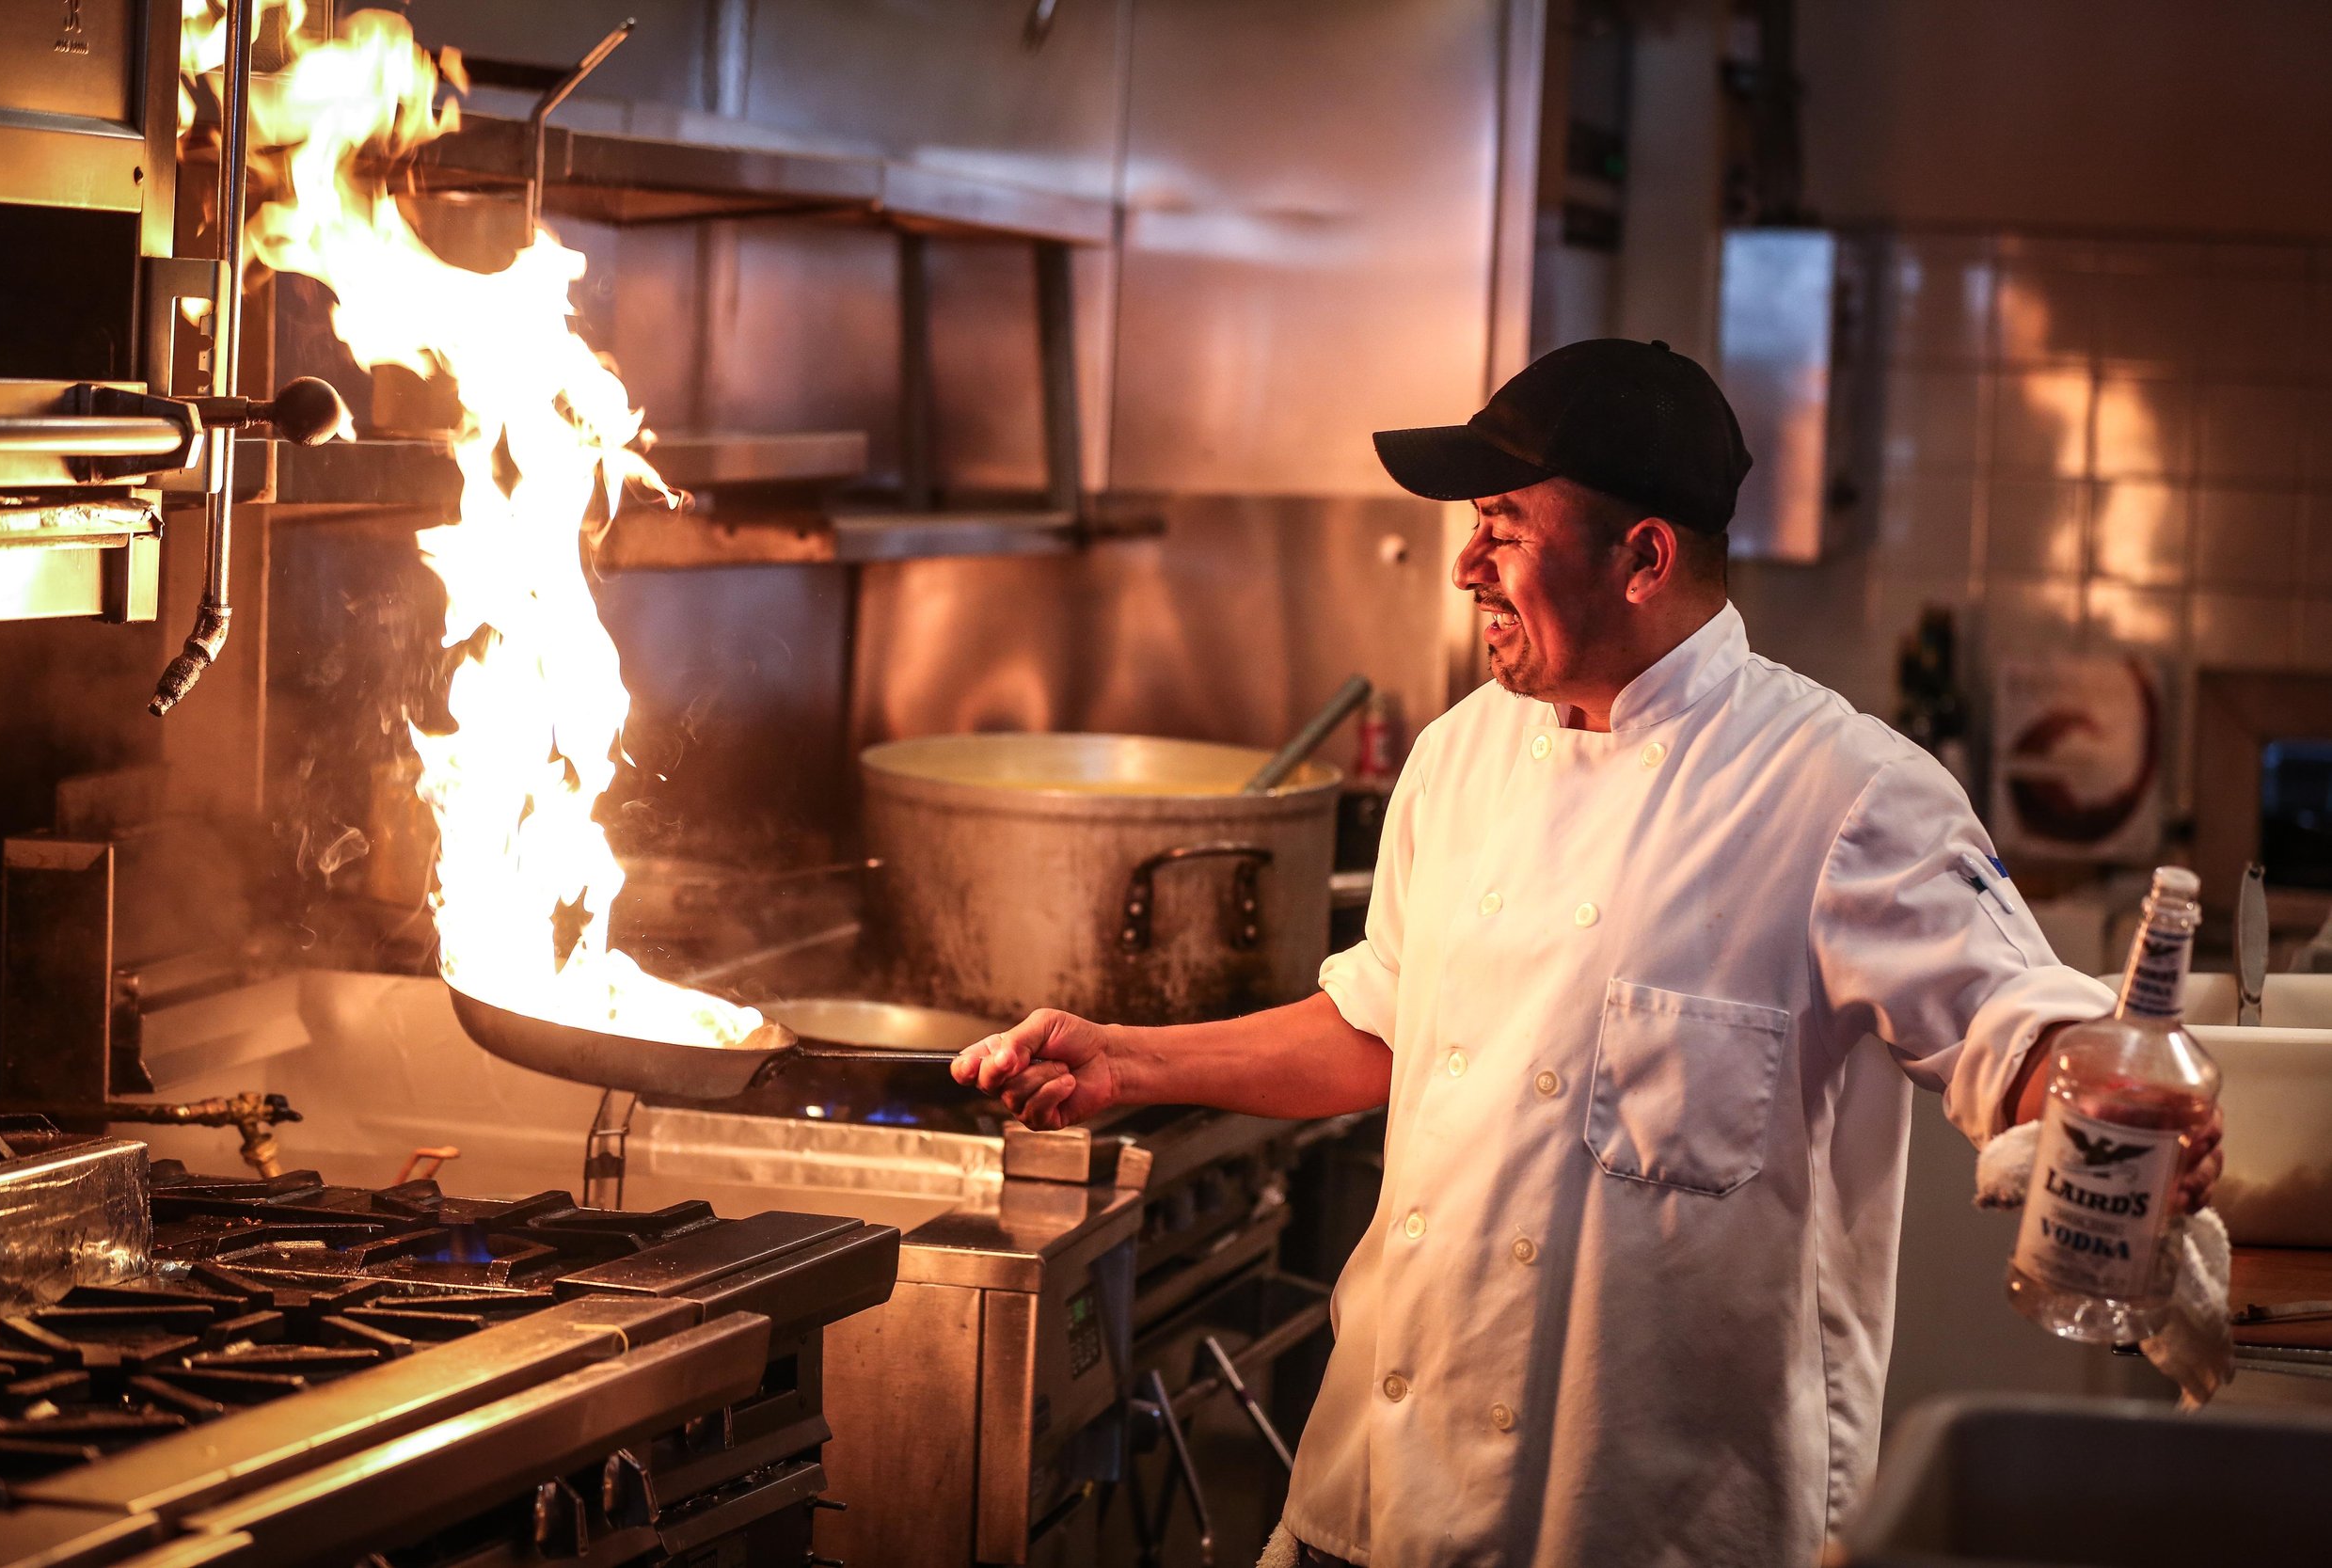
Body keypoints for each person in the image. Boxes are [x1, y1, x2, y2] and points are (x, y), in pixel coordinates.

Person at [951, 339, 2222, 1568]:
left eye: (1502, 523)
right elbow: (1386, 1027)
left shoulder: (1838, 793)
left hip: (1642, 1522)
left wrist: (2100, 1090)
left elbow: (2018, 1023)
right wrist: (1125, 1061)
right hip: (1373, 1494)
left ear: (1642, 557)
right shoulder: (1458, 760)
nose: (1464, 565)